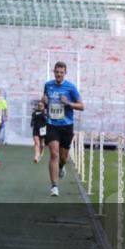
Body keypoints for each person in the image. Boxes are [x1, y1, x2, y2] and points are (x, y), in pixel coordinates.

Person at [43, 61, 83, 197]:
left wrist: (68, 103)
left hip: (66, 126)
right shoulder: (48, 85)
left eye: (61, 72)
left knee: (63, 157)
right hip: (52, 124)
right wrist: (43, 102)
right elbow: (44, 100)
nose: (59, 74)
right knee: (54, 153)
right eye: (57, 72)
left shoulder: (71, 87)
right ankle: (54, 186)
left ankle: (61, 166)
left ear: (65, 73)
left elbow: (81, 106)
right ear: (54, 72)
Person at [30, 98, 47, 164]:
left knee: (42, 145)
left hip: (42, 129)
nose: (39, 105)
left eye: (41, 104)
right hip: (36, 129)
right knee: (36, 142)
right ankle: (36, 156)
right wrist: (32, 123)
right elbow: (33, 119)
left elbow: (46, 120)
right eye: (39, 104)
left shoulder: (45, 112)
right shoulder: (35, 112)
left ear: (43, 105)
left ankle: (41, 152)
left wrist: (43, 113)